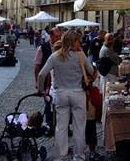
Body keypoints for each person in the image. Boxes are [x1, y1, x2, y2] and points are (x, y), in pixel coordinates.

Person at [38, 30, 94, 161]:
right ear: (73, 42)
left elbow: (41, 74)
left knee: (61, 127)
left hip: (61, 94)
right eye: (78, 41)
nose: (80, 43)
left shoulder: (55, 56)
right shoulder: (80, 55)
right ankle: (79, 157)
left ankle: (61, 156)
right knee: (79, 127)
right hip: (78, 93)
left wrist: (41, 91)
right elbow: (91, 71)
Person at [34, 27, 61, 135]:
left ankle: (61, 126)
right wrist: (37, 83)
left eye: (60, 36)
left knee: (59, 106)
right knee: (48, 104)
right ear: (51, 36)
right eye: (56, 36)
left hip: (58, 81)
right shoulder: (42, 48)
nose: (58, 38)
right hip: (46, 81)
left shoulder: (61, 48)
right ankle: (49, 127)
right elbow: (37, 67)